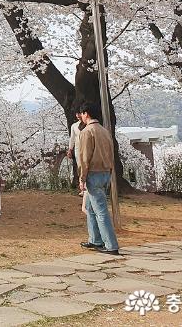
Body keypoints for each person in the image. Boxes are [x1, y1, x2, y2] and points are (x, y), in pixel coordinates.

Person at [77, 104, 120, 255]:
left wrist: (82, 178)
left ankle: (111, 245)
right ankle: (95, 240)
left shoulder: (87, 132)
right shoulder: (105, 131)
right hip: (106, 172)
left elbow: (84, 158)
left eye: (81, 114)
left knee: (101, 210)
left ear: (86, 114)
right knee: (90, 208)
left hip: (93, 173)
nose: (81, 117)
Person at [67, 107, 86, 196]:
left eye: (79, 113)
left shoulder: (88, 124)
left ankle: (88, 187)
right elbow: (72, 138)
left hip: (87, 148)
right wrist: (70, 149)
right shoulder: (74, 126)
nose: (78, 115)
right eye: (76, 113)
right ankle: (82, 188)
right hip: (78, 149)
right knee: (80, 168)